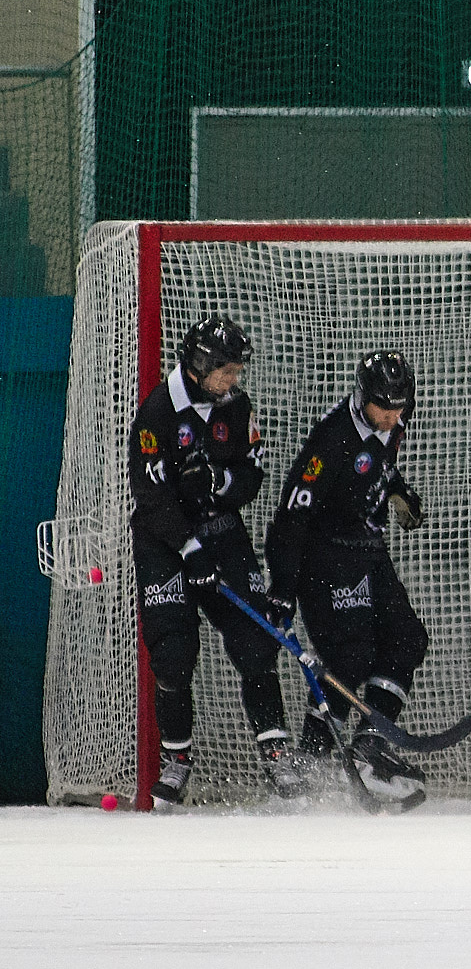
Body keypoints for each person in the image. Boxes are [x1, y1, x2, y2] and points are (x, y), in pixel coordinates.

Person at [128, 313, 310, 806]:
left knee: (255, 639)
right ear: (200, 363)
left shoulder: (236, 405)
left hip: (221, 530)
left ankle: (276, 756)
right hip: (164, 542)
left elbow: (251, 476)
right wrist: (188, 549)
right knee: (173, 651)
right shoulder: (158, 412)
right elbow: (152, 496)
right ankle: (177, 760)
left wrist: (217, 484)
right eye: (226, 371)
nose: (234, 381)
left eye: (237, 372)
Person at [265, 350, 432, 810]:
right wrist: (282, 591)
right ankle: (314, 762)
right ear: (362, 397)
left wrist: (396, 489)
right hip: (325, 558)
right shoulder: (330, 442)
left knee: (408, 639)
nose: (394, 416)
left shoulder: (393, 421)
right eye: (385, 407)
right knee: (349, 659)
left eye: (401, 406)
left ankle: (368, 746)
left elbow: (380, 463)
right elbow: (290, 520)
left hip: (367, 549)